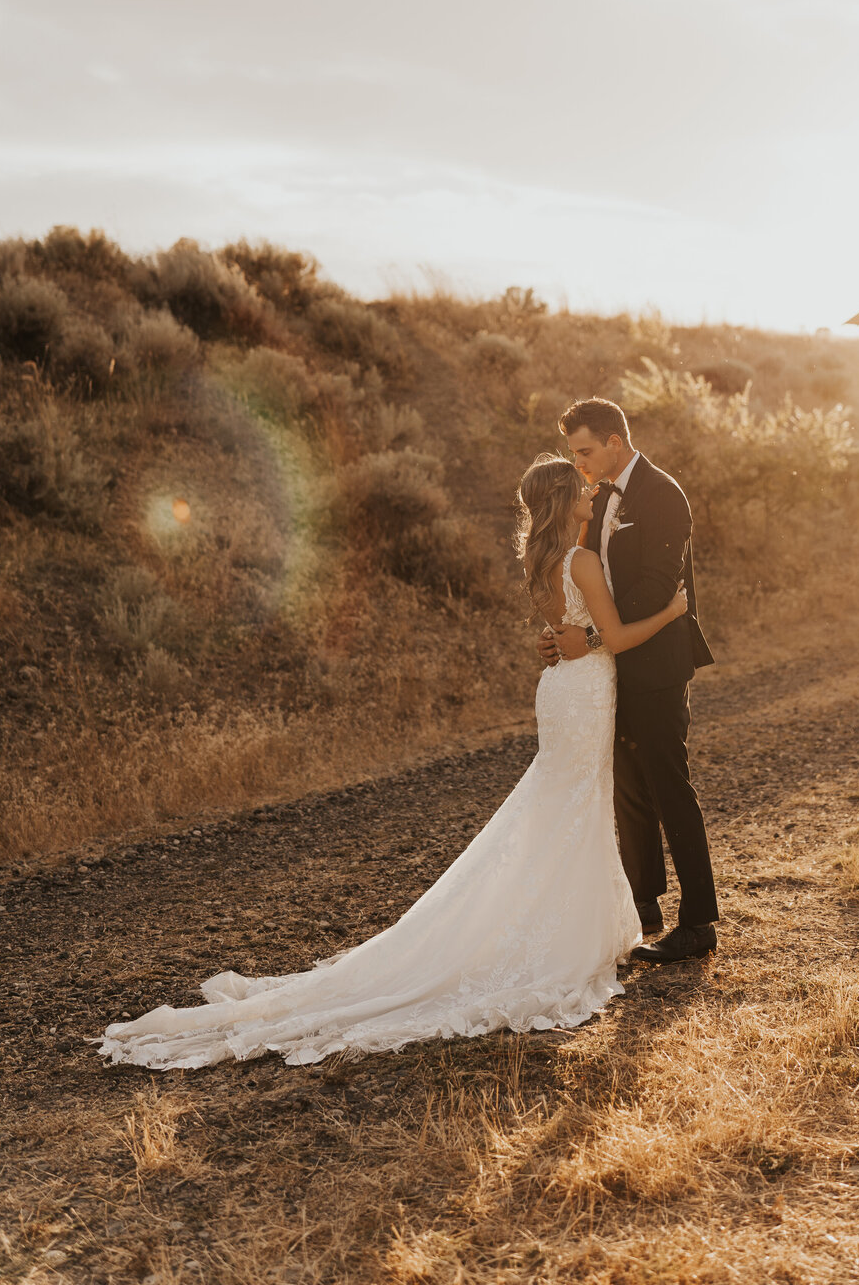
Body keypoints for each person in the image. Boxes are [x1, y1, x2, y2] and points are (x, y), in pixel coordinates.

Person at [96, 456, 687, 1070]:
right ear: (566, 500)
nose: (592, 494)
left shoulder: (541, 562)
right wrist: (670, 614)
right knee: (574, 804)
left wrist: (574, 639)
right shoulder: (582, 560)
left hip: (561, 689)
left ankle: (558, 923)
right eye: (582, 489)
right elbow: (612, 638)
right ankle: (562, 937)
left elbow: (566, 629)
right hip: (584, 688)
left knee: (562, 805)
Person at [542, 397, 719, 963]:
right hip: (609, 668)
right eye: (575, 454)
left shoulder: (663, 495)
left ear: (615, 441)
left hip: (658, 664)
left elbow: (658, 585)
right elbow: (582, 578)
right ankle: (642, 907)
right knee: (628, 791)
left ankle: (699, 923)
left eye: (587, 451)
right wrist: (565, 633)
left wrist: (594, 636)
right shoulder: (592, 500)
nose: (582, 464)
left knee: (668, 787)